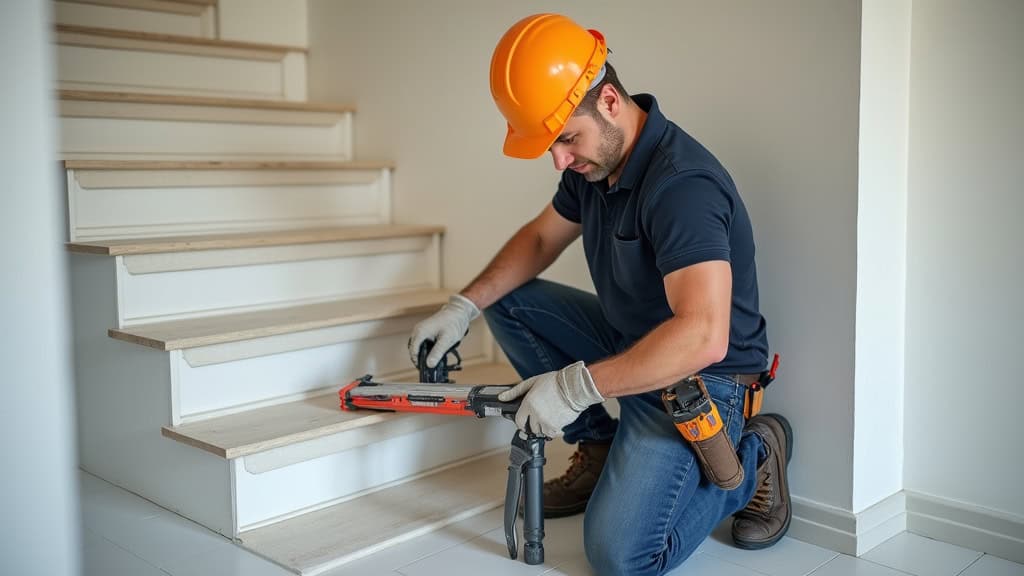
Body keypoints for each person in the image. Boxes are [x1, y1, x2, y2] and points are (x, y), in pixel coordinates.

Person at [409, 13, 792, 575]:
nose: (560, 160)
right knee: (507, 301)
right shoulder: (594, 165)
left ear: (609, 101)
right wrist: (463, 305)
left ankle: (754, 457)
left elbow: (703, 337)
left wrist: (574, 387)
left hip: (701, 380)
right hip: (632, 345)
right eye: (553, 145)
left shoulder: (682, 186)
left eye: (566, 139)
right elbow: (540, 239)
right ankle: (598, 446)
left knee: (621, 558)